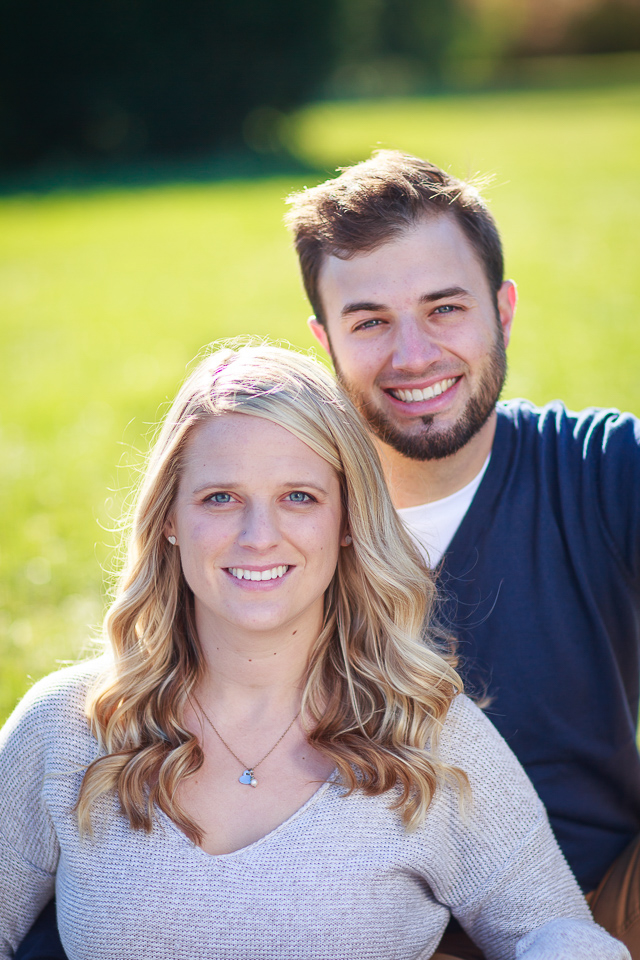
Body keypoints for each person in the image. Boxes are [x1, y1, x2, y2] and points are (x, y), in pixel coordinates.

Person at [0, 344, 628, 960]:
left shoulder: (429, 740)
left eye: (299, 497)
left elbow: (548, 929)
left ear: (348, 521)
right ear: (168, 518)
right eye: (220, 497)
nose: (258, 536)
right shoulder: (66, 728)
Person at [284, 150, 640, 958]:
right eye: (370, 320)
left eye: (445, 308)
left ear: (503, 310)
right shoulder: (279, 517)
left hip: (604, 900)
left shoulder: (601, 468)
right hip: (381, 930)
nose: (412, 355)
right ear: (325, 340)